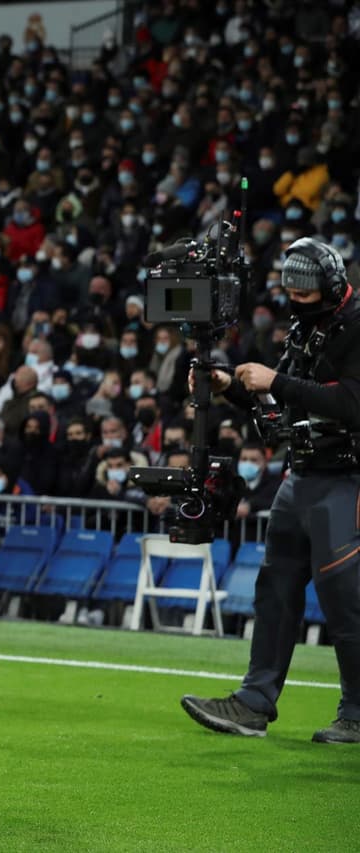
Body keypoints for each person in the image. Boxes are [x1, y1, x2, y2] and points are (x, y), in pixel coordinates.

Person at [182, 238, 360, 744]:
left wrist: (275, 381)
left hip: (346, 479)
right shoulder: (307, 327)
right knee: (275, 590)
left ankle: (357, 712)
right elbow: (286, 407)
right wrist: (230, 387)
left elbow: (351, 403)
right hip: (300, 476)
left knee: (345, 600)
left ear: (331, 286)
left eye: (305, 292)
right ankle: (254, 702)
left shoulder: (357, 327)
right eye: (292, 291)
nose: (296, 300)